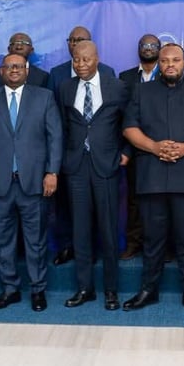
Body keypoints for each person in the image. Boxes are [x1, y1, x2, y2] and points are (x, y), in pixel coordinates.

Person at [122, 43, 184, 316]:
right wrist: (154, 147)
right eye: (165, 60)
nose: (170, 65)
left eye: (175, 60)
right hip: (152, 176)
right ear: (159, 63)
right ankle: (148, 290)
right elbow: (129, 128)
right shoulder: (141, 91)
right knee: (152, 240)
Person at [0, 53, 63, 313]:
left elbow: (55, 138)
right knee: (3, 240)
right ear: (1, 71)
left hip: (34, 182)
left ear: (27, 70)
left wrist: (52, 172)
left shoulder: (44, 97)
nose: (13, 70)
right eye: (9, 66)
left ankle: (37, 289)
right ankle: (10, 289)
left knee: (36, 241)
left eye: (18, 66)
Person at [59, 41, 129, 311]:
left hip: (106, 166)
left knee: (108, 231)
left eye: (86, 59)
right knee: (80, 230)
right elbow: (62, 127)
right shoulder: (65, 88)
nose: (81, 64)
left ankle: (111, 290)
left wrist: (126, 152)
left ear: (97, 59)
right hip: (76, 167)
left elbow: (129, 122)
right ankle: (84, 288)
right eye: (76, 60)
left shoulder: (116, 86)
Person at [46, 26, 115, 266]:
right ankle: (68, 247)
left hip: (100, 159)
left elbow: (117, 119)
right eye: (72, 40)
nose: (76, 43)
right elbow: (55, 118)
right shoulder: (57, 74)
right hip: (71, 156)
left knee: (100, 210)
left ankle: (94, 251)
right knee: (68, 207)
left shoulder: (108, 73)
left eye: (81, 40)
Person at [118, 33, 161, 260]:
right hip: (134, 149)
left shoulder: (167, 74)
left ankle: (163, 246)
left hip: (162, 148)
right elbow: (121, 117)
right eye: (144, 44)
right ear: (138, 48)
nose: (148, 48)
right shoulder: (125, 77)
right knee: (134, 200)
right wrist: (126, 150)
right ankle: (134, 243)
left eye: (153, 45)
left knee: (162, 201)